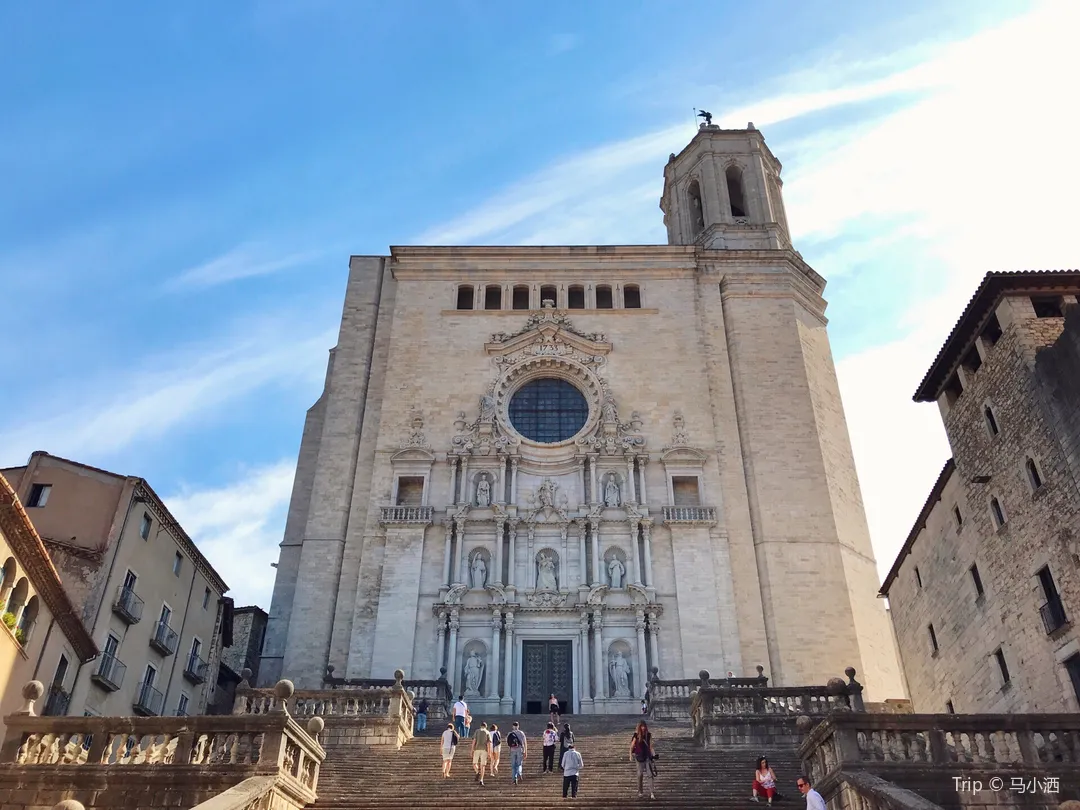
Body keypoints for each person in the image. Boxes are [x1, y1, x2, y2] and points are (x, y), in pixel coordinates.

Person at [630, 720, 656, 799]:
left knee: (650, 775)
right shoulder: (636, 735)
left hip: (647, 757)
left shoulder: (649, 735)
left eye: (644, 726)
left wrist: (654, 755)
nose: (643, 728)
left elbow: (651, 747)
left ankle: (652, 792)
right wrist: (630, 755)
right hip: (639, 758)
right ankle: (640, 791)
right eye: (641, 726)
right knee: (640, 775)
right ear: (639, 727)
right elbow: (631, 746)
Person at [472, 721, 492, 786]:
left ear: (480, 726)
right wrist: (489, 752)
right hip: (484, 750)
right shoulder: (487, 732)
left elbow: (474, 741)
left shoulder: (477, 731)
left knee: (474, 763)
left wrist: (472, 749)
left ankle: (477, 772)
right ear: (486, 727)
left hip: (477, 749)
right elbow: (489, 743)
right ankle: (481, 780)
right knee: (482, 765)